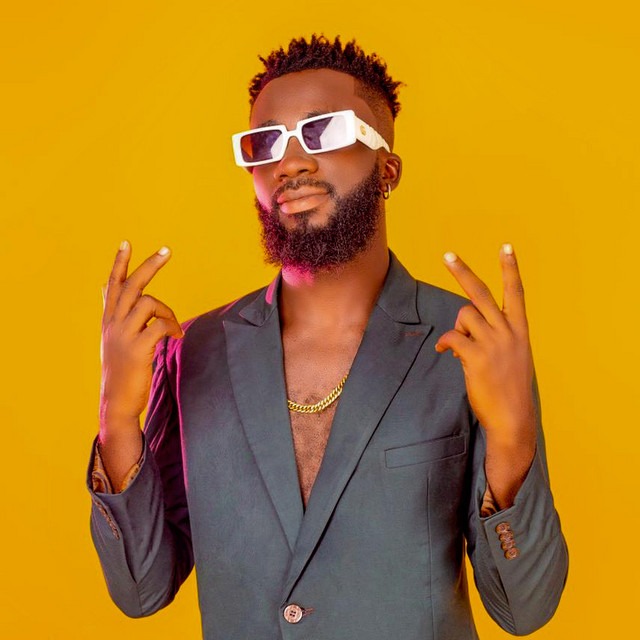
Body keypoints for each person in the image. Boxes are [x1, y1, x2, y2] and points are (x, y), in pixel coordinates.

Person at [87, 34, 569, 640]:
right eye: (265, 142)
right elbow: (142, 591)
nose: (291, 162)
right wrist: (118, 419)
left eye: (324, 131)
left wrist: (513, 436)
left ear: (388, 168)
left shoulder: (471, 346)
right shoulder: (196, 351)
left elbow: (525, 609)